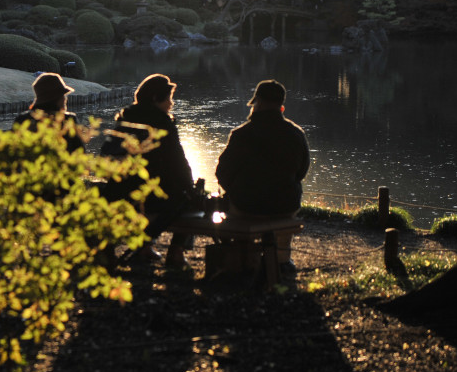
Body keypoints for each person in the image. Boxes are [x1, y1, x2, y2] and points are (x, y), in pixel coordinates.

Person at [101, 73, 195, 269]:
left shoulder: (125, 119)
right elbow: (178, 162)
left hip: (119, 193)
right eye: (169, 98)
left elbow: (106, 155)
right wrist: (191, 186)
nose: (171, 104)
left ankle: (144, 247)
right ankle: (176, 252)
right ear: (155, 98)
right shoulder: (162, 123)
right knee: (189, 197)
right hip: (151, 196)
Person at [215, 79, 310, 219]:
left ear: (257, 103)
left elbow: (222, 173)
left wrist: (237, 193)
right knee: (282, 232)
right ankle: (282, 241)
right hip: (286, 207)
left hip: (247, 207)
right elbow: (301, 172)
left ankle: (239, 240)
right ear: (281, 107)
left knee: (232, 216)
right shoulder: (297, 134)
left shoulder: (242, 134)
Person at [13, 72, 85, 153]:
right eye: (63, 95)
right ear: (57, 98)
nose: (65, 99)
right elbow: (80, 154)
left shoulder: (22, 120)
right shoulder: (68, 120)